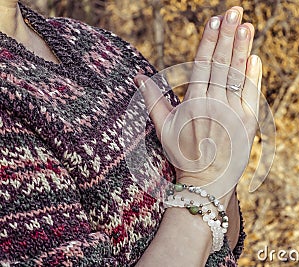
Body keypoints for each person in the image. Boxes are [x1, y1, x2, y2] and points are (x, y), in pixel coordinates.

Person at [0, 0, 262, 266]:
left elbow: (222, 243)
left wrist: (212, 163)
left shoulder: (94, 42)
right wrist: (206, 182)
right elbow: (206, 197)